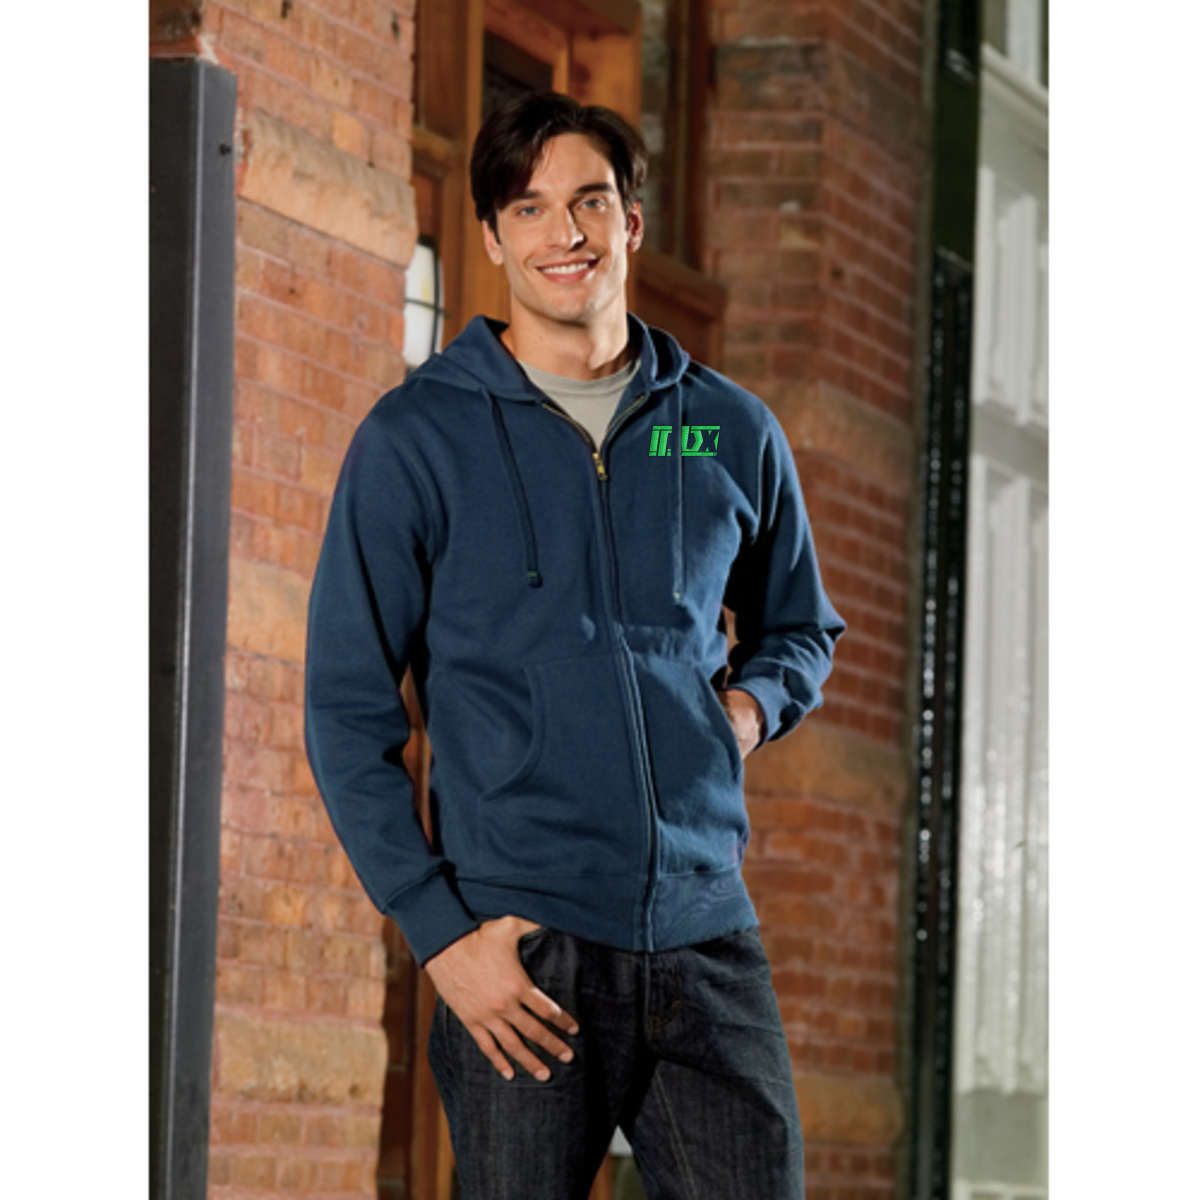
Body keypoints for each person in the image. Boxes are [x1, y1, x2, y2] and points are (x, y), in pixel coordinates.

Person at [304, 90, 846, 1200]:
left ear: (630, 222)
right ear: (494, 236)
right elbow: (346, 711)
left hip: (704, 929)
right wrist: (442, 937)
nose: (566, 233)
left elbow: (799, 625)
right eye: (531, 207)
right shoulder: (418, 438)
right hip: (523, 941)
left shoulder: (723, 428)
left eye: (590, 202)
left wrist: (746, 712)